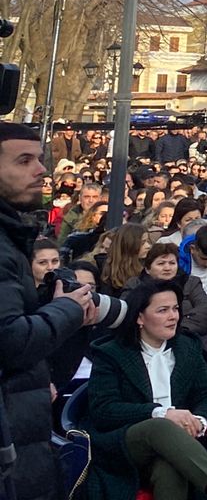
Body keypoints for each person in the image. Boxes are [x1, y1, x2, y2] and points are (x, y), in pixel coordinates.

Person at [0, 121, 102, 500]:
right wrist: (65, 310)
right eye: (24, 160)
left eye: (40, 159)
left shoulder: (12, 236)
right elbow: (10, 341)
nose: (41, 170)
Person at [83, 277, 207, 500]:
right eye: (163, 310)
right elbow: (104, 410)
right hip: (125, 444)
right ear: (140, 318)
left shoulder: (187, 347)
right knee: (160, 426)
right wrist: (160, 413)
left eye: (175, 308)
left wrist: (200, 422)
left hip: (180, 447)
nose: (173, 316)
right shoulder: (112, 353)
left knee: (170, 470)